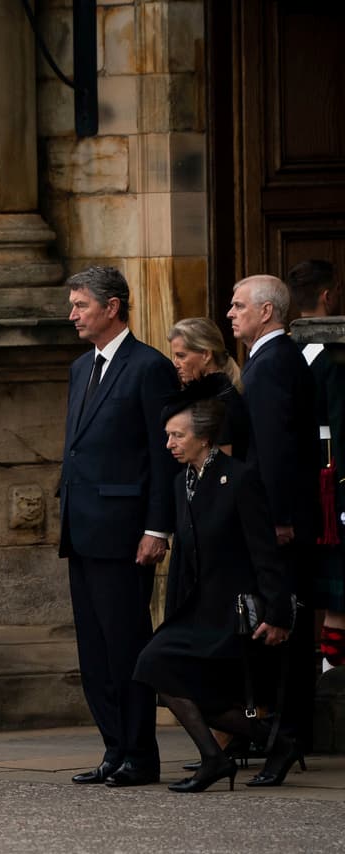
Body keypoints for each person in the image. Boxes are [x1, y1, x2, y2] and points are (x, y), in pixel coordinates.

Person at [134, 378, 296, 791]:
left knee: (164, 670)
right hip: (197, 608)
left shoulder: (239, 479)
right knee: (160, 669)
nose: (169, 443)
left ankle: (226, 755)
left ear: (203, 437)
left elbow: (265, 553)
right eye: (167, 435)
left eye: (178, 435)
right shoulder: (180, 482)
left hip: (233, 610)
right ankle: (266, 743)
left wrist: (277, 614)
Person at [59, 267, 177, 788]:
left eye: (81, 305)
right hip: (82, 528)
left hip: (126, 531)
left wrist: (157, 528)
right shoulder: (81, 367)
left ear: (113, 307)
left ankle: (140, 753)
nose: (73, 315)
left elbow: (161, 456)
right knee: (94, 649)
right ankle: (112, 747)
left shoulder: (149, 366)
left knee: (126, 643)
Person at [228, 275, 321, 755]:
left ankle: (284, 732)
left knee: (282, 624)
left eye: (238, 305)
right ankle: (284, 729)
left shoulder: (268, 365)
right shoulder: (275, 359)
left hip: (278, 521)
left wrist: (279, 518)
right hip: (284, 515)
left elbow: (275, 450)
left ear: (267, 312)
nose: (230, 313)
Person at [286, 260, 345, 667]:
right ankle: (330, 675)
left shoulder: (280, 349)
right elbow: (341, 420)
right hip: (329, 479)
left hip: (294, 477)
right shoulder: (335, 354)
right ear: (328, 295)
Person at [166, 317, 251, 460]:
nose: (176, 364)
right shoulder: (202, 395)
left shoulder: (222, 401)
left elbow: (223, 467)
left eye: (181, 356)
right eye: (174, 356)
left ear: (206, 355)